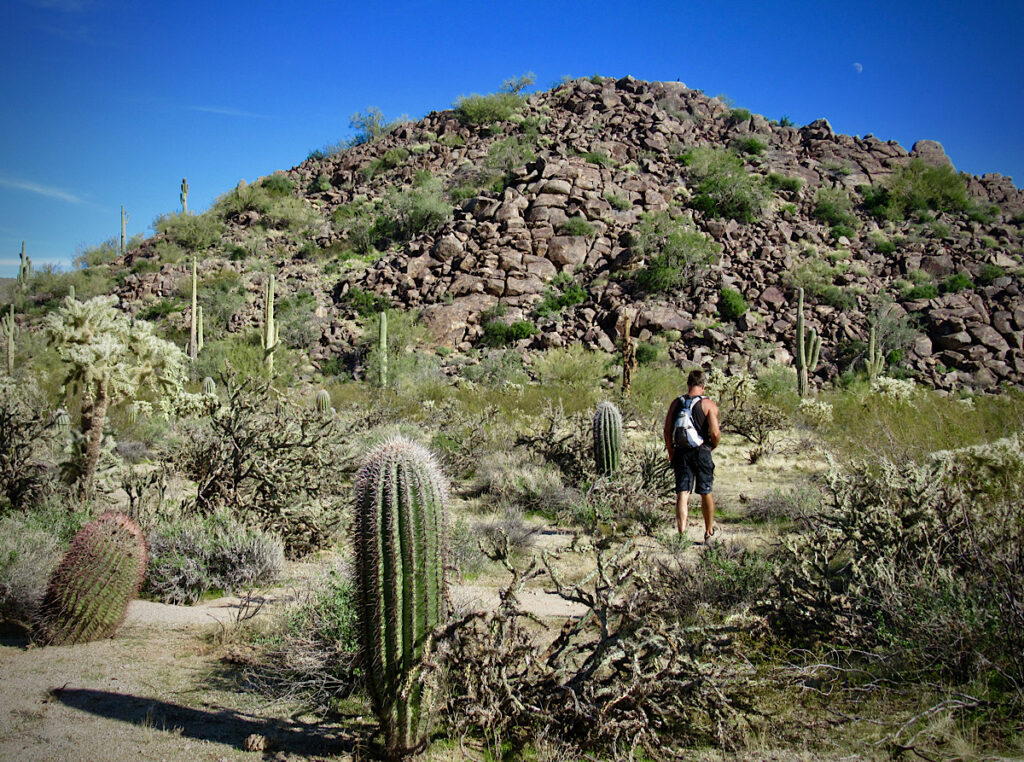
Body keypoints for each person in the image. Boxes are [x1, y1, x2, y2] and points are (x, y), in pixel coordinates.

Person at [663, 368, 721, 543]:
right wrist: (712, 447)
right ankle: (709, 532)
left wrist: (671, 452)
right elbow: (715, 433)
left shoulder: (676, 403)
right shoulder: (709, 404)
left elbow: (667, 431)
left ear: (688, 384)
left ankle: (682, 535)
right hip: (701, 451)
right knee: (706, 491)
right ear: (703, 385)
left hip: (681, 451)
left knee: (683, 492)